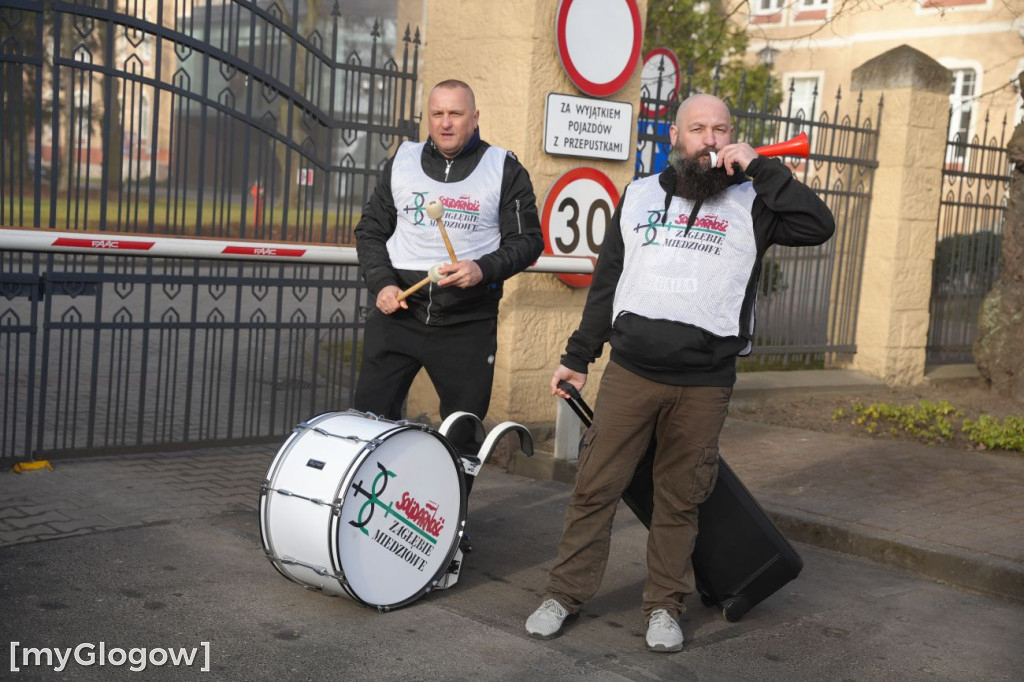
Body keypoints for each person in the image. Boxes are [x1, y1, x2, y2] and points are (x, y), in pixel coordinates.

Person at [524, 94, 835, 652]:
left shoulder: (754, 202)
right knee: (595, 488)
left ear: (732, 136)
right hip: (631, 373)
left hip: (706, 383)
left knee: (680, 499)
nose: (710, 140)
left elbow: (818, 225)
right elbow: (608, 281)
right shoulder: (639, 195)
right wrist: (577, 357)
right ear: (675, 136)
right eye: (698, 129)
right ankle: (563, 595)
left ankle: (665, 606)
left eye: (721, 129)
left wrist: (762, 169)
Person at [354, 79, 544, 424]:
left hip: (467, 323)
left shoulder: (504, 169)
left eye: (455, 113)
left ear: (475, 117)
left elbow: (528, 241)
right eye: (437, 113)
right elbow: (370, 231)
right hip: (399, 316)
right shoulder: (402, 160)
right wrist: (382, 284)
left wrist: (482, 269)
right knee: (368, 424)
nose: (445, 123)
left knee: (461, 434)